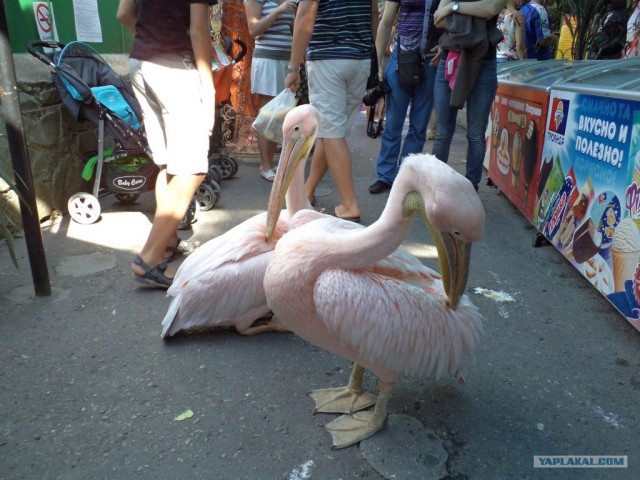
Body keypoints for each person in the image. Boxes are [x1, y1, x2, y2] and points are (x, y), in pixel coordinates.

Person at [117, 0, 215, 288]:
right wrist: (207, 86)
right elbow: (199, 31)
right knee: (193, 168)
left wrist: (151, 43)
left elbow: (123, 14)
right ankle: (148, 259)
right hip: (175, 68)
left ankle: (167, 242)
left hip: (140, 63)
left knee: (170, 162)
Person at [285, 0, 378, 222]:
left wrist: (293, 67)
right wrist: (365, 47)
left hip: (328, 58)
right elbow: (373, 12)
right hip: (360, 59)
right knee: (329, 133)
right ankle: (307, 192)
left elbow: (306, 14)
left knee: (331, 133)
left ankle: (349, 204)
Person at [432, 0, 507, 192]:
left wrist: (453, 8)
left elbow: (490, 9)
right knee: (442, 133)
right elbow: (438, 19)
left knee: (475, 135)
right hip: (450, 58)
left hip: (483, 62)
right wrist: (470, 14)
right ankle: (435, 187)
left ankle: (470, 189)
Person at [368, 0, 441, 195]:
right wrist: (377, 66)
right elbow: (386, 22)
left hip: (432, 60)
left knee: (419, 126)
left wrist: (445, 44)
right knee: (393, 122)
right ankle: (385, 176)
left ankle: (406, 178)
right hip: (401, 57)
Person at [244, 0, 298, 181]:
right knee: (268, 113)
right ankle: (265, 164)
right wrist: (278, 11)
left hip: (288, 62)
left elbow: (298, 30)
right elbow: (253, 30)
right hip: (267, 61)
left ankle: (271, 162)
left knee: (281, 115)